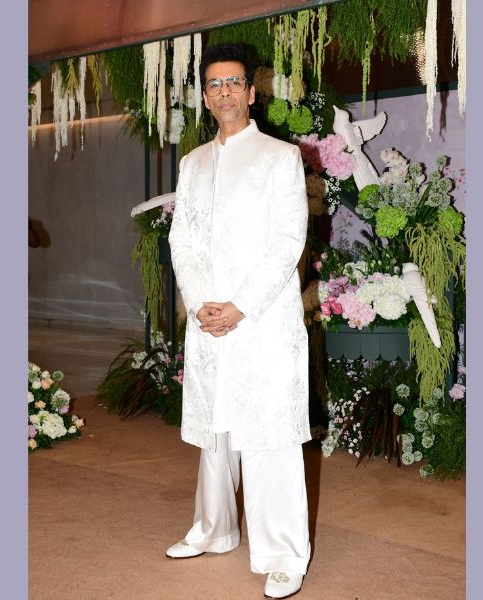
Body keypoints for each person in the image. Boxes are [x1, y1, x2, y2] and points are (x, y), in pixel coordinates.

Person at [166, 43, 311, 599]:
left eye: (233, 83)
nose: (224, 92)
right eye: (214, 84)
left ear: (252, 92)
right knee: (217, 432)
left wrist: (239, 306)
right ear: (205, 97)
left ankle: (283, 555)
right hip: (209, 320)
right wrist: (200, 300)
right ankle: (215, 529)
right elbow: (182, 240)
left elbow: (287, 242)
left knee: (269, 435)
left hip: (262, 321)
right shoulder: (192, 164)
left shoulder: (280, 157)